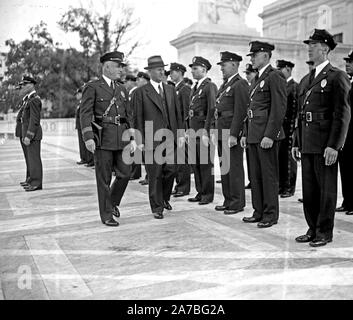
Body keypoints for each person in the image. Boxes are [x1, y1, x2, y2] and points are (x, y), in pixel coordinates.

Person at [292, 29, 351, 247]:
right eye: (309, 45)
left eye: (314, 45)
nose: (309, 48)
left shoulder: (337, 76)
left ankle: (324, 232)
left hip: (325, 143)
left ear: (325, 49)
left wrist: (335, 145)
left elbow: (343, 114)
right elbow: (300, 114)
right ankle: (312, 228)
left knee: (326, 191)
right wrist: (297, 142)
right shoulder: (307, 78)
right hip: (308, 142)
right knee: (309, 190)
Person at [80, 51, 135, 227]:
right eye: (118, 66)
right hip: (102, 138)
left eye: (121, 66)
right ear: (107, 66)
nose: (121, 69)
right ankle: (106, 215)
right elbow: (85, 113)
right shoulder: (93, 86)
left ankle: (111, 203)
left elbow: (128, 115)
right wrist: (88, 137)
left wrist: (132, 137)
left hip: (122, 138)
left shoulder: (121, 88)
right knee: (103, 179)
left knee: (125, 173)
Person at [241, 41, 287, 228]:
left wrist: (270, 134)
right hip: (253, 134)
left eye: (254, 55)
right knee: (256, 176)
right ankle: (258, 211)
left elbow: (279, 108)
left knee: (268, 176)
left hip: (266, 136)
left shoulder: (274, 76)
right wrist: (245, 133)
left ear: (266, 56)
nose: (251, 58)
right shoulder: (257, 78)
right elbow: (250, 109)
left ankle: (270, 214)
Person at [133, 55, 182, 219]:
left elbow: (177, 113)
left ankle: (164, 198)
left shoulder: (170, 89)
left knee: (171, 169)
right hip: (151, 140)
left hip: (170, 139)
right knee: (155, 175)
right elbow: (137, 117)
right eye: (159, 70)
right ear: (151, 72)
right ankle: (157, 207)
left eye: (163, 69)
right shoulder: (141, 92)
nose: (162, 72)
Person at [213, 51, 249, 215]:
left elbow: (240, 111)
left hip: (230, 133)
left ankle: (237, 202)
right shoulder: (226, 85)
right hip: (221, 131)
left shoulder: (240, 84)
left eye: (224, 65)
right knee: (225, 168)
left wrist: (235, 134)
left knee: (234, 168)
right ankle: (228, 200)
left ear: (234, 65)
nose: (221, 69)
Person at [187, 56, 217, 205]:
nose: (192, 71)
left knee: (205, 164)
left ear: (204, 70)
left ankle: (208, 194)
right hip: (194, 130)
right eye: (192, 68)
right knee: (196, 163)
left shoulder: (209, 86)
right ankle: (200, 191)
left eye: (195, 68)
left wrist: (207, 131)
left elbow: (212, 109)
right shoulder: (196, 87)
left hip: (203, 131)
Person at [168, 62, 191, 198]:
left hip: (181, 130)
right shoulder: (174, 89)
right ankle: (179, 185)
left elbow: (187, 112)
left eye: (173, 71)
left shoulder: (185, 89)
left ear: (181, 73)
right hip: (174, 130)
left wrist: (185, 130)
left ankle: (183, 187)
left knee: (182, 160)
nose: (171, 74)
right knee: (177, 160)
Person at [277, 60, 299, 198]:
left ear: (288, 69)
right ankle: (281, 185)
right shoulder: (282, 85)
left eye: (281, 69)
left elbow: (296, 108)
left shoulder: (294, 86)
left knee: (289, 158)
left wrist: (294, 128)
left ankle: (289, 187)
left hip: (290, 126)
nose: (279, 72)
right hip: (281, 127)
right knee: (281, 157)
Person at [17, 76, 43, 192]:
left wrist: (29, 135)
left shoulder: (35, 99)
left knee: (34, 159)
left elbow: (34, 120)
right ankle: (31, 179)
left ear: (31, 85)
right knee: (29, 159)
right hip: (26, 134)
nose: (22, 86)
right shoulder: (28, 99)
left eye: (25, 84)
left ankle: (36, 183)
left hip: (32, 135)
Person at [336, 50, 353, 216]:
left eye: (351, 62)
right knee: (346, 169)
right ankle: (348, 201)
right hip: (347, 135)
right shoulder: (348, 82)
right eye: (347, 61)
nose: (347, 64)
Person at [243, 63, 258, 189]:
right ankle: (252, 179)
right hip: (249, 128)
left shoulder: (255, 87)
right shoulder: (249, 87)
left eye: (249, 73)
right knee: (249, 157)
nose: (247, 76)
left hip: (257, 128)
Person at [125, 74, 141, 181]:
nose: (125, 84)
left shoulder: (135, 92)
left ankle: (135, 172)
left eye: (126, 81)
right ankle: (133, 171)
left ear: (131, 81)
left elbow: (134, 111)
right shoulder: (130, 93)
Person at [136, 71, 150, 186]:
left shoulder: (148, 91)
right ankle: (148, 176)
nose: (137, 81)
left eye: (138, 79)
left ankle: (150, 176)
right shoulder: (138, 92)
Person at [75, 86, 94, 167]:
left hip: (84, 126)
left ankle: (90, 160)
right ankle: (84, 158)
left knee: (86, 143)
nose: (76, 96)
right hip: (79, 126)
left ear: (81, 94)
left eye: (77, 94)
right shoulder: (80, 103)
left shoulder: (84, 102)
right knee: (81, 144)